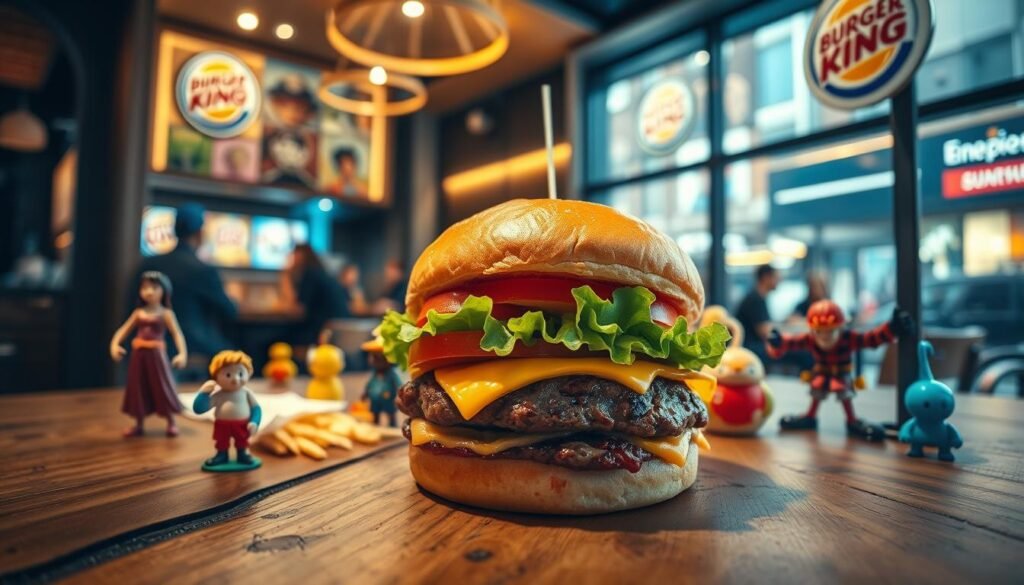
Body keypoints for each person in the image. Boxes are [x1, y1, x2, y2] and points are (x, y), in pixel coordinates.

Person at [135, 204, 237, 361]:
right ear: (200, 233)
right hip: (192, 347)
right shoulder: (203, 270)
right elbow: (229, 311)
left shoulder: (148, 264)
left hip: (148, 342)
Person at [109, 271, 187, 437]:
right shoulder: (139, 313)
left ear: (164, 291)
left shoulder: (166, 314)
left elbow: (177, 334)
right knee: (138, 387)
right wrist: (115, 345)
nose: (149, 292)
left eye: (154, 287)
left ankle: (171, 421)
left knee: (162, 386)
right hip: (139, 356)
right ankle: (139, 424)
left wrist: (182, 354)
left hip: (157, 356)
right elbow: (123, 330)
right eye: (144, 288)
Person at [193, 350, 262, 470]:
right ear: (216, 377)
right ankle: (221, 455)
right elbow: (199, 409)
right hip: (222, 425)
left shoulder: (246, 393)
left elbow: (256, 408)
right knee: (221, 441)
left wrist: (255, 422)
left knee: (242, 440)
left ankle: (242, 454)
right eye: (228, 375)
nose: (235, 379)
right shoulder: (218, 395)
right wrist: (203, 394)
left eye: (240, 374)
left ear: (249, 373)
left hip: (242, 424)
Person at [284, 244, 347, 345]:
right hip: (340, 332)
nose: (292, 259)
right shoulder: (321, 272)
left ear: (300, 256)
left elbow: (297, 311)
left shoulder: (310, 274)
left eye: (293, 254)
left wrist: (285, 276)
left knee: (276, 339)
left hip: (322, 333)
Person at [734, 264, 779, 362]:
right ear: (766, 278)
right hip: (750, 348)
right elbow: (765, 333)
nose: (779, 281)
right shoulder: (755, 299)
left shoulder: (757, 297)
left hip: (751, 346)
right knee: (799, 353)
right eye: (776, 277)